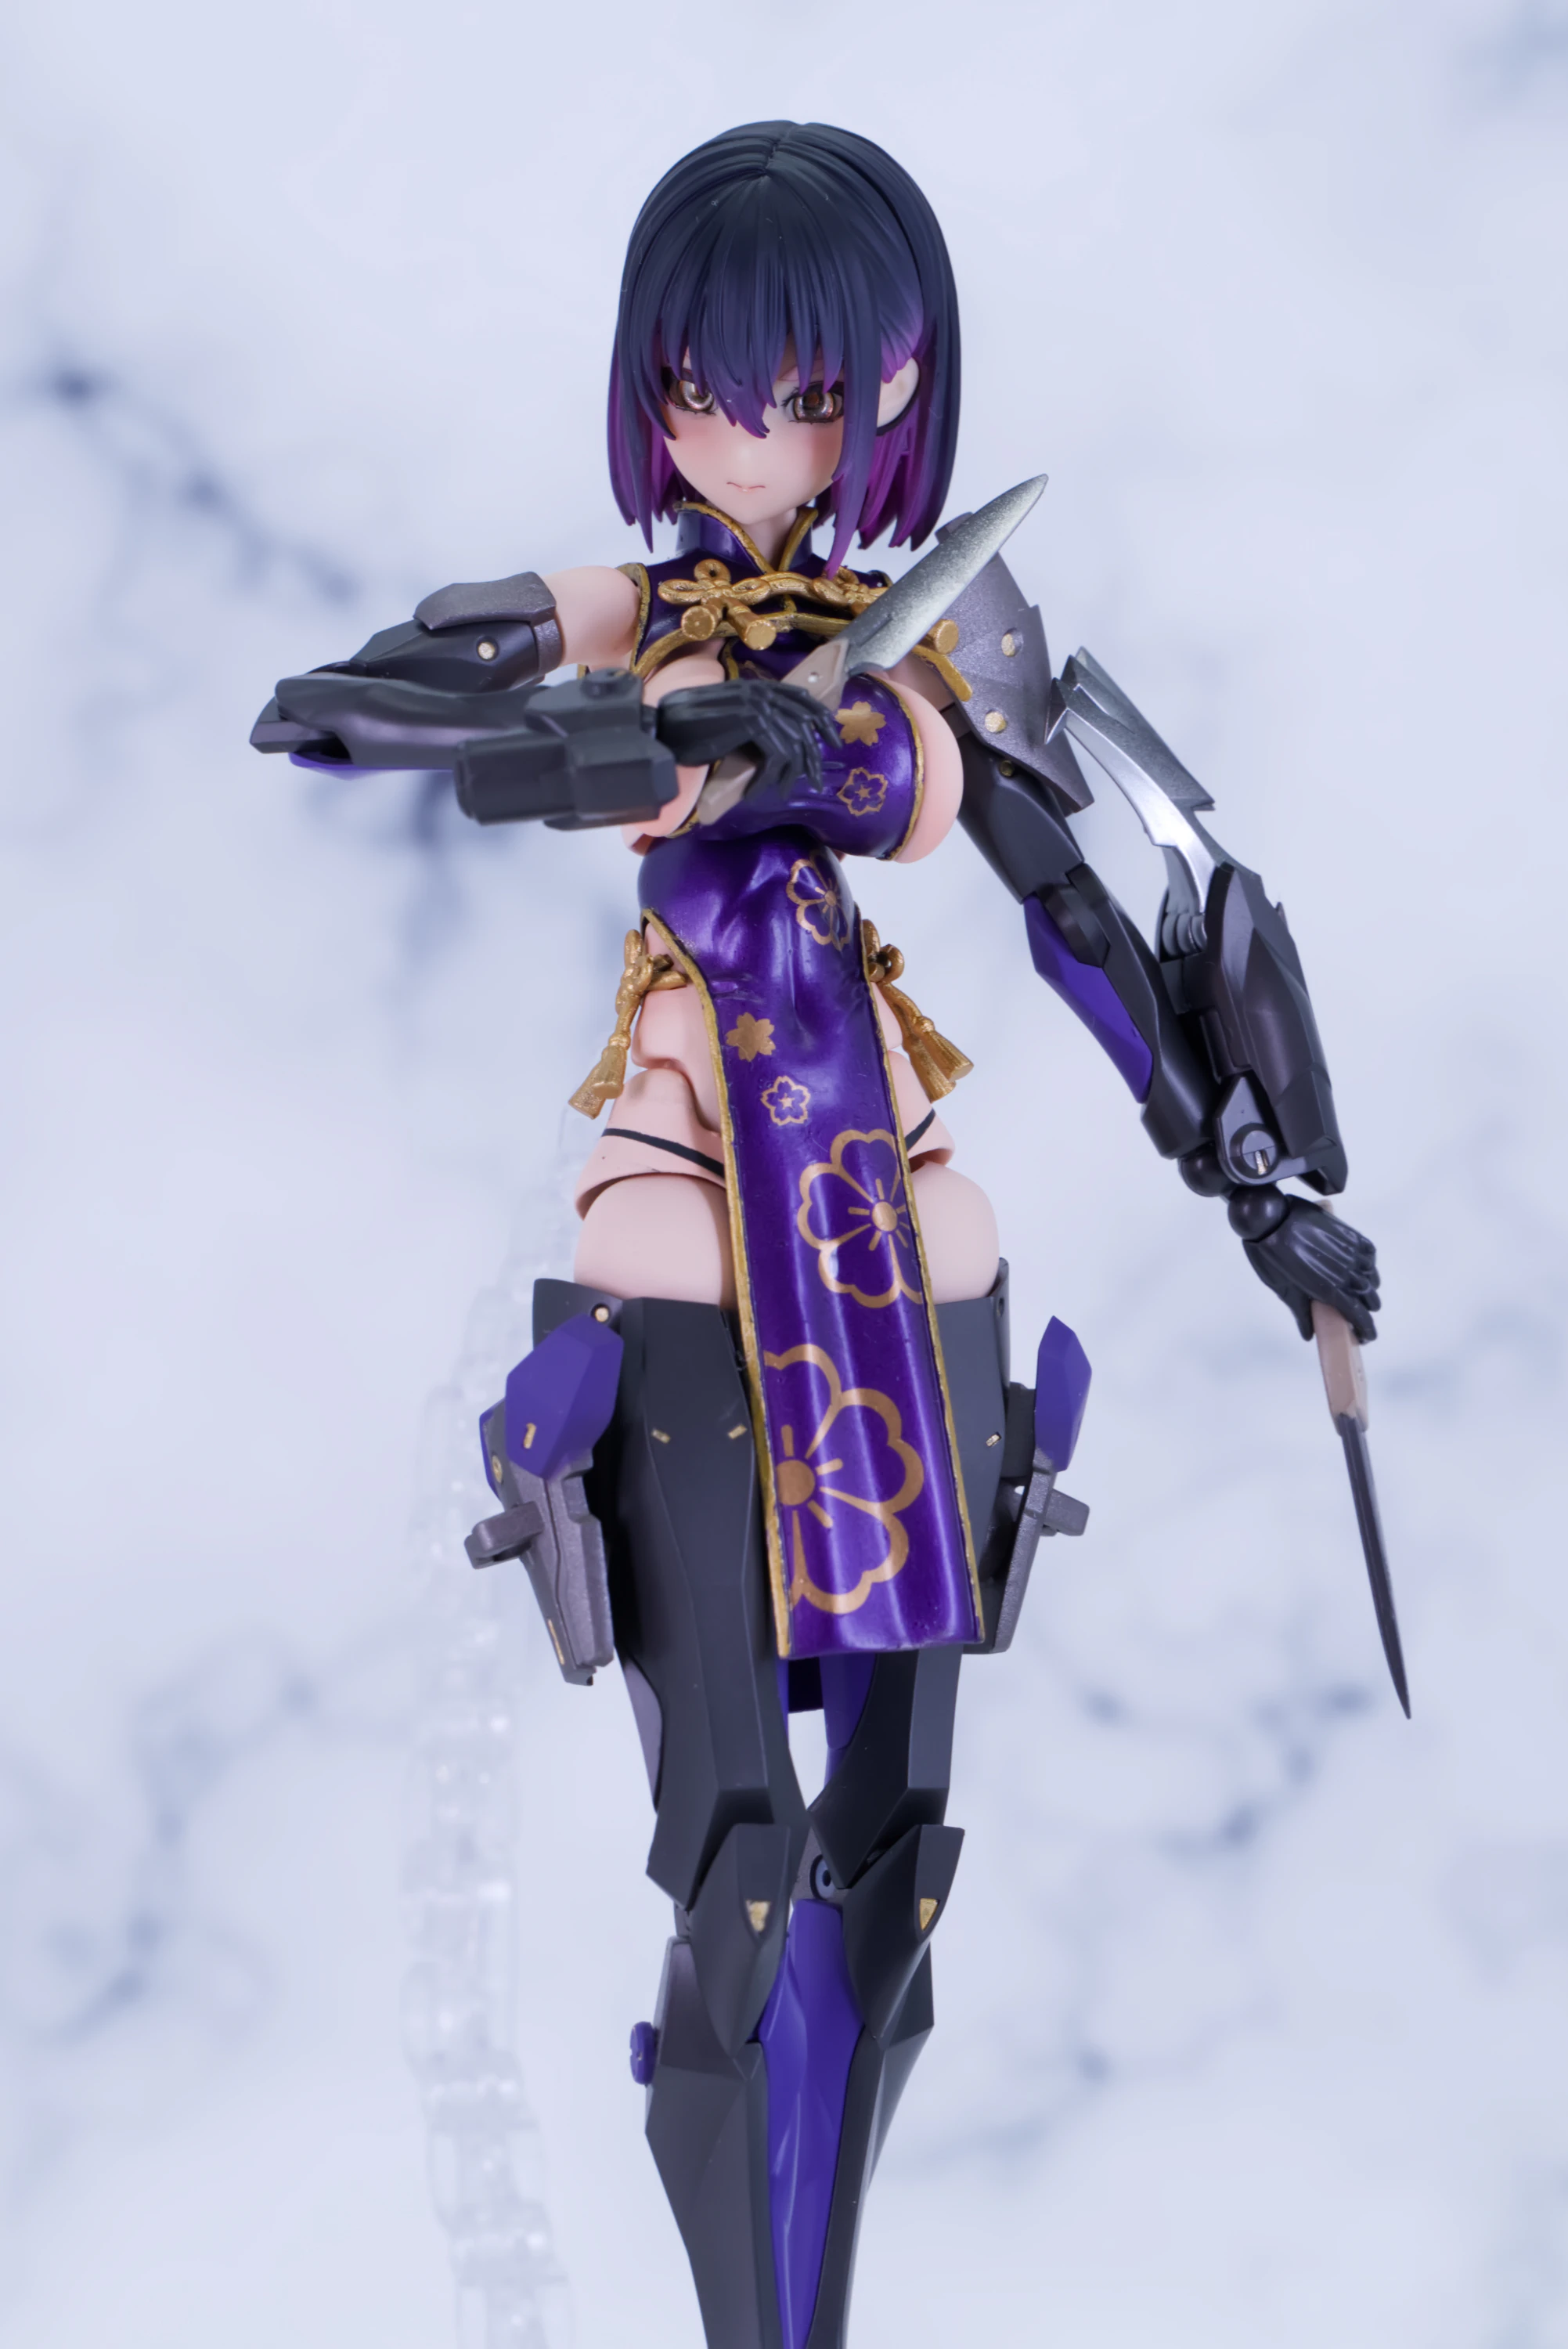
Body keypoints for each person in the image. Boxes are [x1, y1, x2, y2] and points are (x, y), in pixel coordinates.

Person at [253, 119, 1382, 2349]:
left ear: (887, 397)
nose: (744, 439)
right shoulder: (636, 611)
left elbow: (1084, 914)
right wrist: (583, 734)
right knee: (745, 1862)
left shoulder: (937, 649)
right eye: (701, 389)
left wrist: (1257, 1179)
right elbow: (367, 694)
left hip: (878, 1183)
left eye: (797, 394)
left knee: (897, 1858)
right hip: (694, 1150)